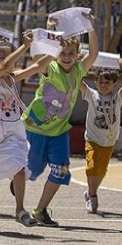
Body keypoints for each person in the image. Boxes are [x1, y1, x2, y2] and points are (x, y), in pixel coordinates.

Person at [21, 12, 98, 226]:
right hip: (36, 128)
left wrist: (90, 28)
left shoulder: (78, 70)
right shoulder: (50, 67)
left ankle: (40, 209)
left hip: (59, 132)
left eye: (71, 53)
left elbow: (94, 53)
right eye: (62, 52)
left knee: (61, 170)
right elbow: (39, 57)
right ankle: (18, 180)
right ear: (56, 53)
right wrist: (50, 31)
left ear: (77, 55)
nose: (66, 56)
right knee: (33, 170)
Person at [0, 35, 52, 231]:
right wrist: (25, 45)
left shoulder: (11, 78)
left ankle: (20, 210)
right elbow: (4, 67)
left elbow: (36, 67)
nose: (5, 60)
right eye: (0, 56)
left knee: (19, 167)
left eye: (8, 57)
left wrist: (55, 49)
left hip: (11, 131)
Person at [78, 59, 122, 214]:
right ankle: (93, 197)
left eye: (107, 82)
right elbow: (78, 81)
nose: (103, 85)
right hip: (93, 138)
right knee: (92, 166)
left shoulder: (117, 97)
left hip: (109, 140)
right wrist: (79, 64)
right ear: (95, 83)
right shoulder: (91, 94)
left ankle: (89, 192)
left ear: (114, 84)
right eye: (100, 82)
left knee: (101, 171)